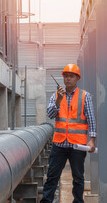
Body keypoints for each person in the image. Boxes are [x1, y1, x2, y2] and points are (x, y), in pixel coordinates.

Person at [40, 63, 97, 203]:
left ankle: (78, 201)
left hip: (77, 145)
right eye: (66, 76)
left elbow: (91, 118)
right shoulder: (56, 96)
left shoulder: (85, 96)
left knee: (78, 177)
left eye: (71, 76)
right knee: (52, 176)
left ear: (77, 78)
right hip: (59, 143)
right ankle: (46, 201)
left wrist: (92, 140)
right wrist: (58, 101)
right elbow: (50, 114)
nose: (68, 79)